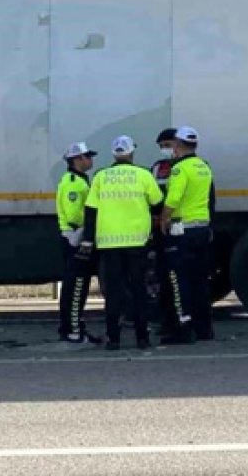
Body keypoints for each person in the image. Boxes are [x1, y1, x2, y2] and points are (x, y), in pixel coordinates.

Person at [77, 135, 164, 350]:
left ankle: (113, 339)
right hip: (137, 242)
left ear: (114, 153)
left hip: (108, 244)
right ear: (131, 152)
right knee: (139, 290)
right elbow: (157, 203)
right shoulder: (143, 175)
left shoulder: (100, 177)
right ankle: (142, 338)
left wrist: (88, 240)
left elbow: (91, 211)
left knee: (113, 293)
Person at [157, 125, 217, 344]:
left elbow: (173, 199)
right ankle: (205, 328)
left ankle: (184, 328)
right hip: (201, 229)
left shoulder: (179, 169)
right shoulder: (204, 167)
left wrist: (163, 218)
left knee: (178, 281)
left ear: (179, 145)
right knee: (200, 281)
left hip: (181, 230)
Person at [56, 141, 102, 344]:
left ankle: (72, 328)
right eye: (87, 156)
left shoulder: (79, 180)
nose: (90, 160)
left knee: (77, 287)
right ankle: (73, 331)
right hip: (76, 238)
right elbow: (75, 215)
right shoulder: (74, 183)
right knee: (76, 287)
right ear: (77, 159)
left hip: (75, 237)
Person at [148, 127, 181, 338]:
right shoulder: (157, 168)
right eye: (161, 147)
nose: (164, 150)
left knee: (180, 279)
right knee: (163, 278)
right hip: (160, 229)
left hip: (179, 228)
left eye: (167, 145)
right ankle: (167, 321)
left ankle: (183, 321)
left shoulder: (185, 167)